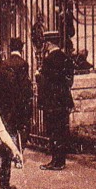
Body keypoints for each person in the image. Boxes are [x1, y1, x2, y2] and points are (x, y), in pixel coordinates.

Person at [0, 39, 33, 189]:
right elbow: (23, 88)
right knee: (15, 134)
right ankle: (17, 157)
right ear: (22, 49)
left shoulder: (5, 64)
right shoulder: (22, 63)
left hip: (3, 108)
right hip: (15, 106)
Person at [37, 30, 77, 170]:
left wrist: (38, 75)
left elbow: (45, 83)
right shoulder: (65, 57)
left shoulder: (49, 60)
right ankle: (61, 160)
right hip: (64, 100)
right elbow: (69, 81)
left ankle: (55, 161)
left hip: (52, 101)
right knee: (62, 130)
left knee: (54, 131)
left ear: (48, 43)